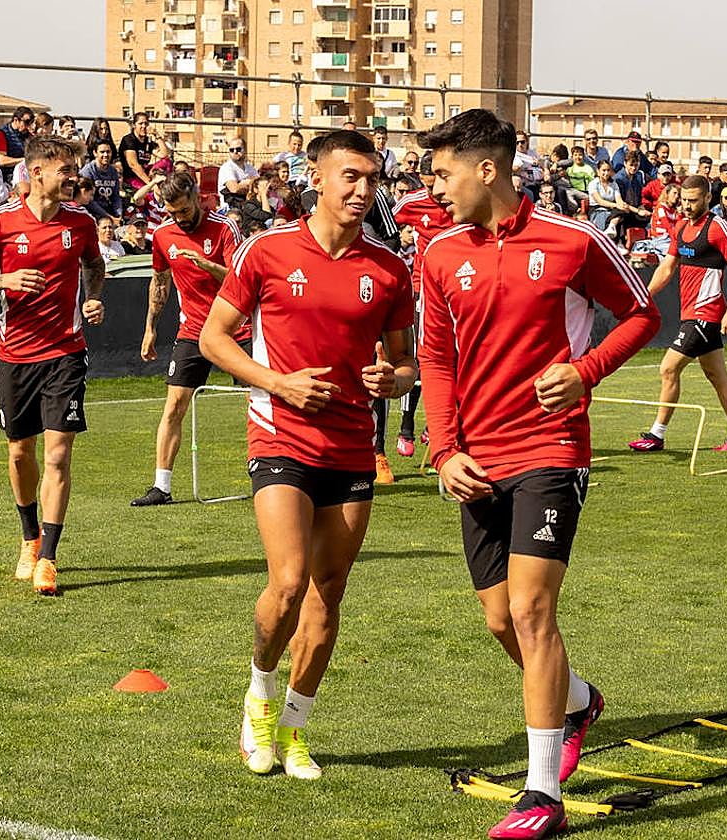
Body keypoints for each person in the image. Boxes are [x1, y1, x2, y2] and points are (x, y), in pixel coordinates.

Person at [416, 109, 659, 840]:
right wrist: (442, 449)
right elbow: (434, 359)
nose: (436, 187)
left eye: (444, 172)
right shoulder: (437, 253)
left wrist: (584, 373)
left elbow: (641, 313)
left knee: (530, 610)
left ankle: (541, 793)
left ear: (485, 168)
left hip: (551, 450)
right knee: (499, 620)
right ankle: (579, 701)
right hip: (474, 457)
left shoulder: (573, 240)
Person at [199, 129, 417, 782]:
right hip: (280, 436)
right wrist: (276, 383)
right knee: (288, 582)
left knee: (328, 596)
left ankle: (294, 729)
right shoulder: (265, 251)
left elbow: (407, 362)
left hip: (351, 446)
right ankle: (258, 697)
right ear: (316, 178)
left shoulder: (388, 268)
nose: (362, 189)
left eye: (371, 178)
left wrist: (395, 380)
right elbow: (214, 338)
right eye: (349, 176)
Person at [0, 136, 106, 596]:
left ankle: (48, 558)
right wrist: (5, 278)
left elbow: (94, 266)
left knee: (59, 454)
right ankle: (28, 538)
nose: (73, 177)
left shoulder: (81, 222)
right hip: (16, 356)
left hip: (66, 352)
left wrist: (93, 297)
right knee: (21, 453)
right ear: (36, 172)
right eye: (65, 170)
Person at [132, 172, 245, 506]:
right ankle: (161, 487)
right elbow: (160, 282)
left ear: (196, 198)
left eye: (183, 210)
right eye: (172, 213)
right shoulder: (163, 235)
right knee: (174, 406)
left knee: (265, 400)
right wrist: (150, 326)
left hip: (238, 329)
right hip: (193, 331)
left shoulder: (225, 227)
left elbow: (241, 280)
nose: (178, 219)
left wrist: (209, 266)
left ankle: (282, 474)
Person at [628, 175, 727, 455]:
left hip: (705, 314)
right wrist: (644, 296)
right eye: (684, 200)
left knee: (668, 368)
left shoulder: (718, 228)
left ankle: (656, 435)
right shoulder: (681, 226)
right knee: (716, 374)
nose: (686, 205)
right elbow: (666, 268)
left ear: (708, 198)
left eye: (693, 201)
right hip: (690, 313)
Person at [391, 152, 453, 458]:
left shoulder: (460, 200)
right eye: (428, 187)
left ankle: (437, 424)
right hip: (422, 290)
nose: (436, 194)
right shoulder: (411, 203)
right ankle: (405, 427)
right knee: (419, 358)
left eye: (438, 184)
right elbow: (389, 227)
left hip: (458, 291)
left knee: (453, 360)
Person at [119, 112, 170, 195]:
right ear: (134, 125)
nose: (144, 126)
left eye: (146, 123)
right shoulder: (128, 140)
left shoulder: (148, 141)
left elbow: (164, 154)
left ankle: (168, 185)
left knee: (167, 162)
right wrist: (150, 183)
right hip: (132, 176)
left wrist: (157, 135)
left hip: (145, 173)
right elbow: (133, 165)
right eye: (140, 123)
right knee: (147, 193)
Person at [79, 140, 123, 222]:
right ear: (95, 153)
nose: (105, 155)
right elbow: (89, 201)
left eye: (108, 152)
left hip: (109, 212)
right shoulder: (87, 171)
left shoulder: (113, 171)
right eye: (102, 152)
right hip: (91, 213)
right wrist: (109, 217)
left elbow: (115, 196)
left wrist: (119, 215)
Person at [0, 106, 35, 181]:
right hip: (8, 177)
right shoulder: (1, 134)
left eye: (30, 122)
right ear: (16, 120)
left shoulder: (28, 136)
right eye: (26, 122)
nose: (28, 126)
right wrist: (25, 160)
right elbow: (2, 161)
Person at [218, 137, 260, 209]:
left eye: (238, 149)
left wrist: (244, 184)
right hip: (230, 209)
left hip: (249, 207)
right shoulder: (227, 167)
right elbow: (234, 189)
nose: (235, 152)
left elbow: (260, 186)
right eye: (231, 150)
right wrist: (250, 184)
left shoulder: (250, 168)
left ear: (245, 150)